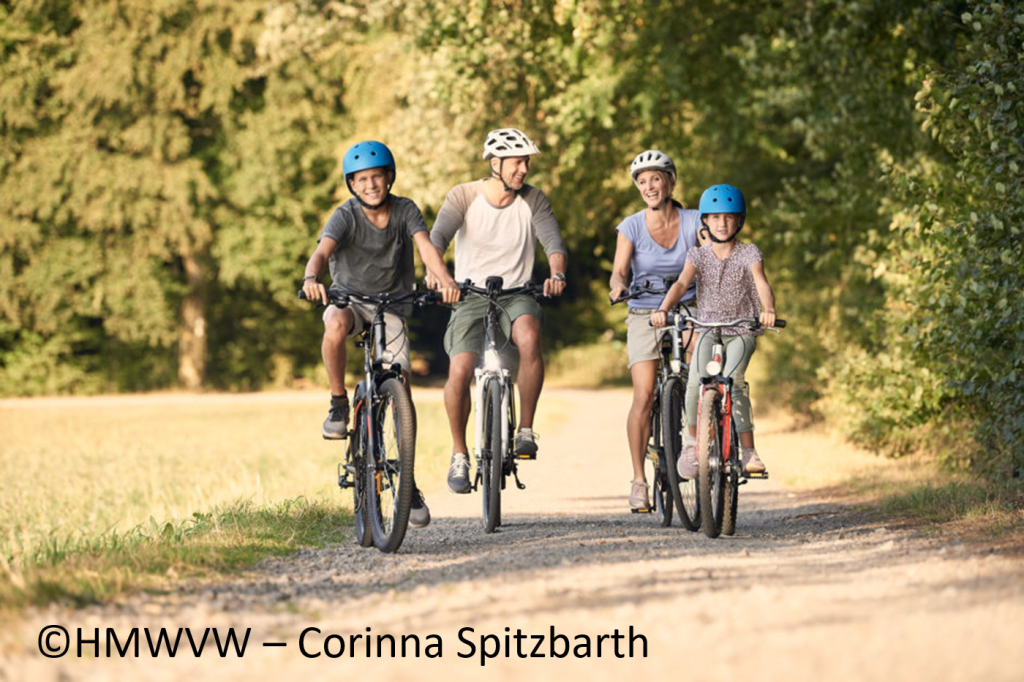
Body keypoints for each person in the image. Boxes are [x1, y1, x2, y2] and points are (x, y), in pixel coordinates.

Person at [301, 140, 460, 529]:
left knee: (400, 386)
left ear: (389, 177)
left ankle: (407, 482)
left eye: (377, 177)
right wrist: (311, 278)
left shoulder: (405, 210)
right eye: (361, 179)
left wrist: (443, 279)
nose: (370, 185)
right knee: (334, 323)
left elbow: (427, 249)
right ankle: (339, 403)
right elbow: (321, 253)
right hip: (350, 301)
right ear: (351, 184)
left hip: (392, 304)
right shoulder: (345, 215)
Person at [428, 128, 568, 494]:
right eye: (517, 162)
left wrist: (557, 273)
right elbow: (437, 239)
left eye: (526, 162)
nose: (524, 169)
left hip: (517, 293)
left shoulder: (534, 199)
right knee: (460, 370)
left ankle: (525, 430)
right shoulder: (463, 195)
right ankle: (459, 453)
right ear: (495, 164)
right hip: (469, 294)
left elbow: (553, 241)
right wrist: (437, 274)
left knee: (529, 337)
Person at [652, 184, 777, 479]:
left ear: (739, 221)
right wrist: (663, 309)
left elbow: (761, 283)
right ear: (705, 221)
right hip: (708, 328)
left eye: (729, 217)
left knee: (734, 381)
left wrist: (768, 309)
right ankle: (691, 444)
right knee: (695, 380)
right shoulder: (698, 255)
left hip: (741, 330)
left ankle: (749, 451)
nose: (722, 223)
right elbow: (681, 284)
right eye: (716, 217)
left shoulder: (749, 253)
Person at [608, 150, 703, 511]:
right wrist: (618, 286)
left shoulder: (695, 220)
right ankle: (638, 480)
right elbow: (619, 272)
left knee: (702, 370)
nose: (649, 186)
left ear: (670, 182)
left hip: (689, 305)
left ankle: (696, 441)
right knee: (644, 395)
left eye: (656, 179)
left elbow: (713, 254)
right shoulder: (631, 226)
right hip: (644, 310)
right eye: (642, 181)